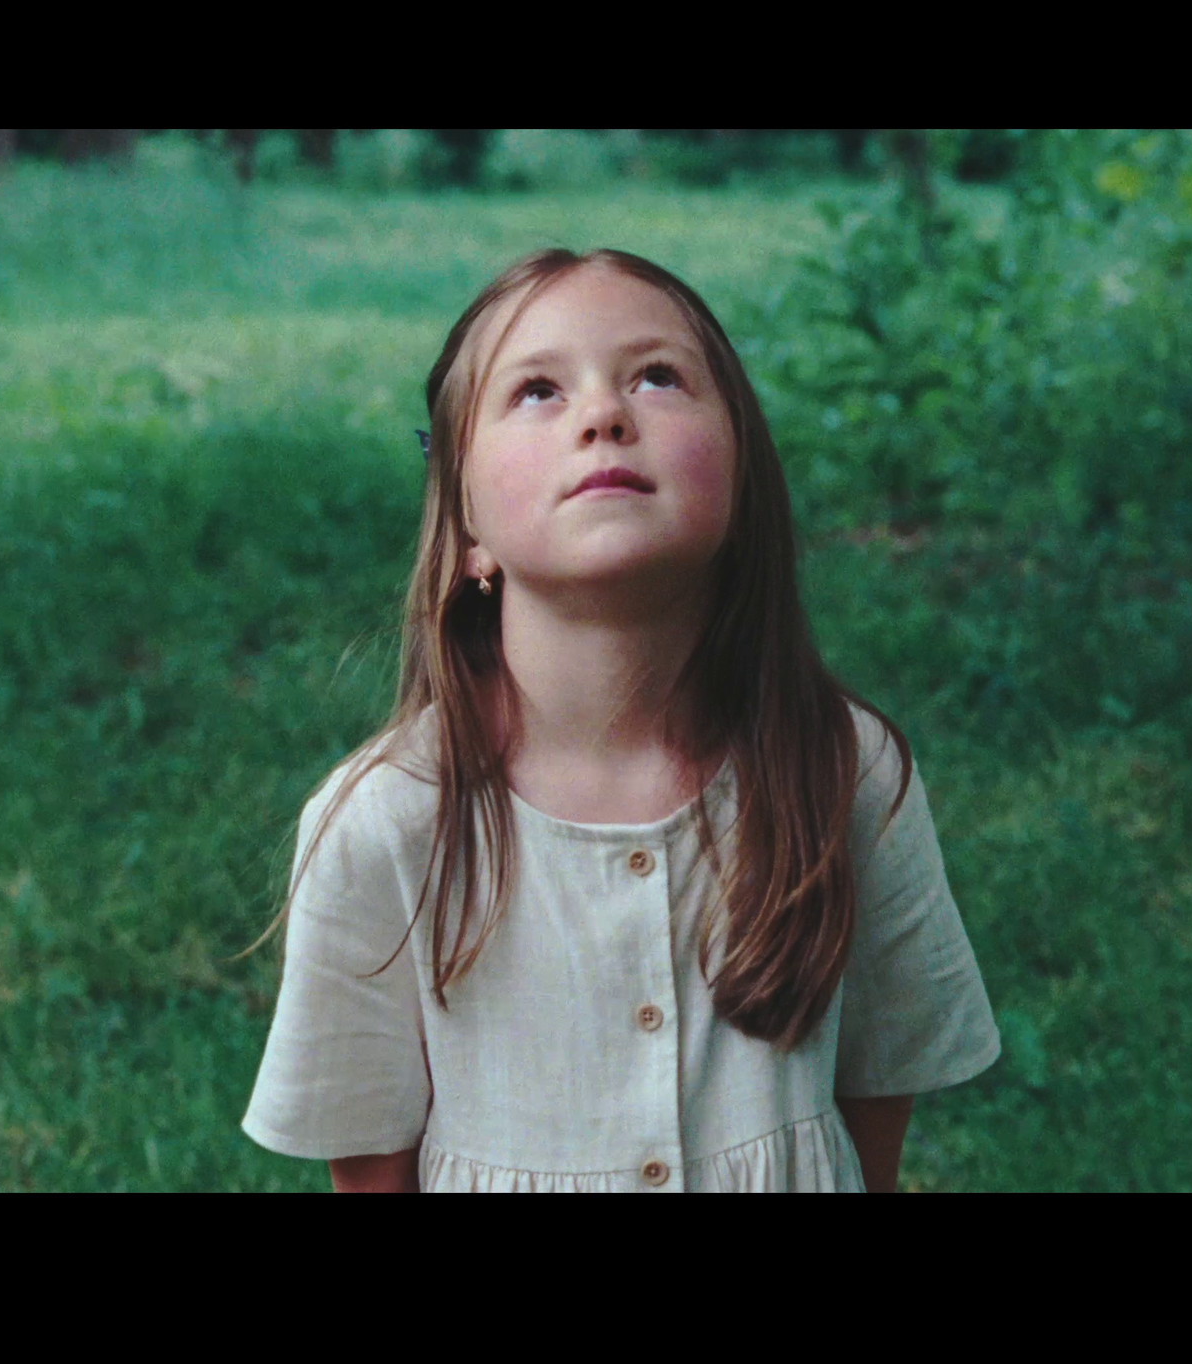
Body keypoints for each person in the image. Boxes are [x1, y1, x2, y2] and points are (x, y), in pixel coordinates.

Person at [241, 248, 998, 1192]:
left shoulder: (847, 772)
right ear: (467, 523)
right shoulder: (385, 825)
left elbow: (880, 1097)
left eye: (657, 376)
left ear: (740, 472)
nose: (605, 415)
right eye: (537, 392)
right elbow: (369, 1166)